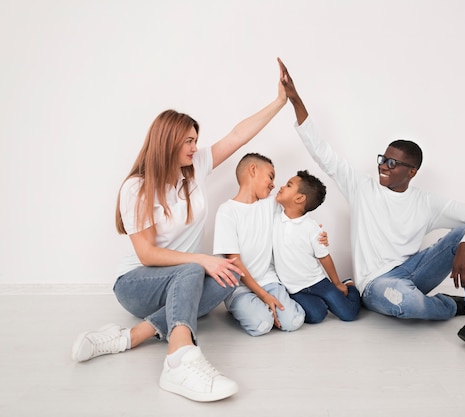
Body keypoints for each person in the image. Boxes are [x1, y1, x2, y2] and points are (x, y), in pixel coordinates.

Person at [70, 63, 289, 403]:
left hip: (182, 280)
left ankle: (130, 337)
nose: (194, 147)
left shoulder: (195, 169)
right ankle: (180, 359)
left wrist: (279, 102)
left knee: (229, 270)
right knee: (196, 267)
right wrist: (200, 260)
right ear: (168, 141)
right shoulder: (137, 187)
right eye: (188, 141)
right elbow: (146, 255)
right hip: (137, 283)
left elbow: (236, 135)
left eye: (196, 140)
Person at [278, 58, 465, 359]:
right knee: (406, 303)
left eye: (393, 163)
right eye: (383, 158)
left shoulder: (425, 202)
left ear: (412, 172)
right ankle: (452, 305)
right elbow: (321, 151)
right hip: (377, 284)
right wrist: (295, 100)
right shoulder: (362, 187)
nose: (383, 165)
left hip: (414, 272)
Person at [212, 153, 306, 336]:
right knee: (261, 325)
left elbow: (297, 207)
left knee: (294, 321)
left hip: (268, 280)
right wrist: (262, 296)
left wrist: (314, 232)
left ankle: (270, 306)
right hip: (239, 287)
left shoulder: (270, 204)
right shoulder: (227, 211)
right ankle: (248, 308)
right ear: (253, 170)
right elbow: (235, 263)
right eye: (270, 176)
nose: (273, 184)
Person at [273, 170, 361, 324]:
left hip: (317, 282)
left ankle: (350, 286)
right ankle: (321, 303)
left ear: (300, 198)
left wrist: (337, 283)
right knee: (316, 316)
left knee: (348, 314)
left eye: (288, 185)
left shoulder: (312, 228)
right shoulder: (274, 218)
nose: (281, 187)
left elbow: (324, 257)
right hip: (294, 289)